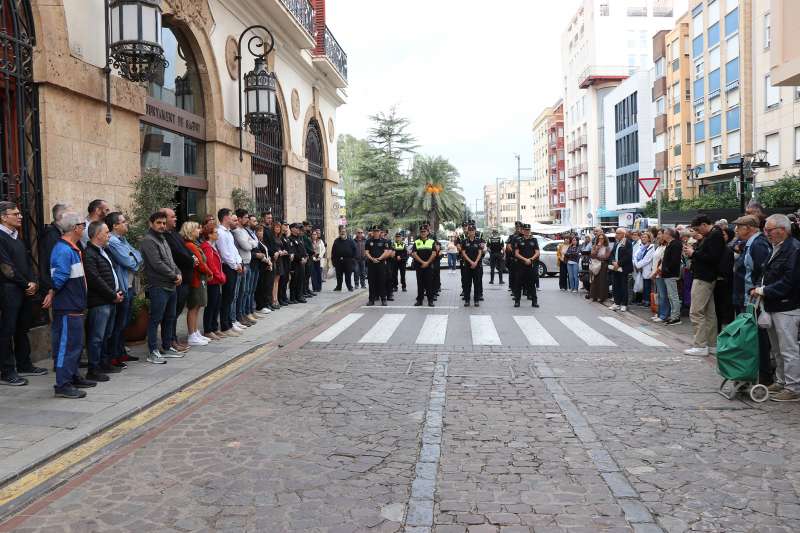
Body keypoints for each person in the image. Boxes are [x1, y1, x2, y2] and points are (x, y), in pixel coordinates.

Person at [751, 214, 800, 401]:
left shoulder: (793, 249)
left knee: (788, 349)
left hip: (787, 306)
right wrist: (760, 288)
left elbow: (790, 281)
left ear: (783, 229)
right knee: (778, 348)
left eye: (770, 230)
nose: (767, 233)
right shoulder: (778, 247)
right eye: (766, 230)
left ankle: (793, 387)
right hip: (774, 304)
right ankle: (781, 382)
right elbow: (767, 273)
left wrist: (763, 290)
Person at [0, 201, 47, 386]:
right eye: (15, 213)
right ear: (3, 217)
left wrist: (34, 282)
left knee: (22, 328)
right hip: (9, 290)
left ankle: (24, 364)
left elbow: (27, 263)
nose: (20, 216)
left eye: (19, 213)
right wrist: (25, 283)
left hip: (25, 290)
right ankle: (6, 371)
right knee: (7, 330)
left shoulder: (16, 236)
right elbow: (5, 267)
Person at [50, 212, 93, 398]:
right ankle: (63, 384)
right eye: (83, 225)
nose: (84, 228)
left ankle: (73, 376)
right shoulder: (64, 250)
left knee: (75, 344)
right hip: (68, 306)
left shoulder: (71, 248)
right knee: (67, 346)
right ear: (75, 228)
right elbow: (58, 278)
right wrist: (51, 292)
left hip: (74, 305)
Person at [732, 215, 772, 385]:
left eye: (738, 227)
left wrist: (756, 292)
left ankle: (764, 376)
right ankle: (754, 373)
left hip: (754, 299)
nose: (736, 230)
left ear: (748, 228)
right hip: (748, 298)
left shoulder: (758, 244)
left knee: (759, 339)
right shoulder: (750, 244)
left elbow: (762, 272)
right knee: (751, 338)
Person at [140, 211, 184, 364]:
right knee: (155, 319)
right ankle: (152, 351)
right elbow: (157, 264)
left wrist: (178, 272)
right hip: (158, 285)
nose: (162, 226)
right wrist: (174, 275)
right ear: (151, 223)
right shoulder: (148, 240)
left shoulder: (163, 239)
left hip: (171, 285)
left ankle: (166, 347)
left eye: (164, 223)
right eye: (158, 223)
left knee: (170, 318)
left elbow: (170, 261)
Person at [84, 220, 123, 382]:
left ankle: (104, 363)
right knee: (96, 337)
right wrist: (111, 295)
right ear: (98, 234)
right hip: (100, 302)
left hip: (111, 299)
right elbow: (95, 279)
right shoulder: (89, 254)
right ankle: (93, 368)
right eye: (107, 232)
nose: (109, 235)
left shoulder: (102, 250)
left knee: (106, 334)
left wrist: (116, 293)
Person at [683, 215, 725, 356]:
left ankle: (700, 345)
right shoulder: (714, 235)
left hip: (703, 277)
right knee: (709, 312)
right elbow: (709, 255)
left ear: (703, 225)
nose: (697, 232)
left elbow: (712, 258)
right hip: (706, 277)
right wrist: (693, 254)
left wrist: (693, 253)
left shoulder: (714, 236)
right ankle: (712, 345)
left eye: (697, 228)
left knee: (696, 312)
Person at [105, 212, 142, 367]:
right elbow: (129, 261)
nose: (127, 224)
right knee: (119, 324)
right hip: (122, 286)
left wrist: (135, 258)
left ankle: (121, 353)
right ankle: (114, 356)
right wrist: (135, 258)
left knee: (124, 323)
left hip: (130, 285)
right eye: (123, 221)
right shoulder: (113, 241)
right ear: (115, 226)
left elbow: (138, 255)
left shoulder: (123, 239)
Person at [161, 208, 193, 353]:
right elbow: (178, 254)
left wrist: (192, 257)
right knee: (171, 313)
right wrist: (191, 260)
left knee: (177, 311)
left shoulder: (174, 234)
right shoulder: (164, 236)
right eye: (172, 217)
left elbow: (186, 250)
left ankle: (173, 338)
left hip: (185, 277)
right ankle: (169, 340)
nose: (175, 219)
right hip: (176, 278)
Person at [181, 221, 213, 346]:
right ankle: (192, 334)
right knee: (193, 306)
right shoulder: (190, 245)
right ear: (190, 231)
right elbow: (200, 263)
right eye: (197, 229)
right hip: (196, 279)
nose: (199, 231)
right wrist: (210, 272)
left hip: (200, 278)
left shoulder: (194, 244)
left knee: (198, 306)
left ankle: (195, 331)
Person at [216, 209, 244, 334]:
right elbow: (224, 253)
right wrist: (234, 265)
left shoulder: (228, 233)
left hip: (234, 266)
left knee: (231, 296)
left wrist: (238, 262)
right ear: (225, 217)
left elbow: (233, 250)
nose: (233, 217)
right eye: (230, 215)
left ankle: (229, 322)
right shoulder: (220, 233)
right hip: (228, 267)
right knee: (227, 297)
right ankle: (225, 325)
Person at [38, 203, 69, 304]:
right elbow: (52, 263)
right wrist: (51, 289)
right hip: (53, 287)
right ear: (61, 217)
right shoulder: (52, 235)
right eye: (70, 216)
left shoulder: (59, 233)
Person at [200, 223, 226, 340]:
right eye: (215, 232)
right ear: (210, 235)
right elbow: (210, 264)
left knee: (217, 304)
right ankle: (208, 329)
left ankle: (215, 327)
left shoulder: (213, 245)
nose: (218, 234)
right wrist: (220, 276)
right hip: (212, 280)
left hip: (217, 280)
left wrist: (221, 275)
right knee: (211, 305)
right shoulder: (206, 246)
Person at [233, 209, 259, 326]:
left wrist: (251, 242)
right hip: (242, 263)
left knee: (247, 291)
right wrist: (251, 242)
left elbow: (255, 242)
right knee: (241, 292)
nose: (247, 220)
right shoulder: (237, 232)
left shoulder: (244, 231)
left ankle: (244, 313)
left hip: (247, 263)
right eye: (246, 218)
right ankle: (239, 316)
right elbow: (247, 246)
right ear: (239, 219)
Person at [512, 224, 539, 308]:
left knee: (532, 283)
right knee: (518, 284)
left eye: (528, 230)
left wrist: (530, 260)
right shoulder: (518, 240)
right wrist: (525, 260)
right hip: (521, 265)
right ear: (522, 231)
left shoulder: (534, 240)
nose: (527, 231)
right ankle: (517, 301)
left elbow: (537, 252)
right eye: (525, 230)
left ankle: (534, 302)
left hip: (531, 265)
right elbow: (516, 253)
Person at [714, 227, 736, 332]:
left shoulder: (727, 250)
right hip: (716, 283)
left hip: (724, 284)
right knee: (716, 311)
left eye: (723, 235)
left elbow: (726, 268)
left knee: (725, 310)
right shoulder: (718, 248)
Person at [660, 229, 683, 325]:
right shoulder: (671, 244)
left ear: (669, 235)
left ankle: (676, 317)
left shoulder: (675, 244)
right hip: (668, 273)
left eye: (664, 233)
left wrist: (666, 268)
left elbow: (675, 260)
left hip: (671, 274)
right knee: (671, 295)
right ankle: (673, 315)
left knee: (673, 295)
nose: (663, 235)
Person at [609, 228, 633, 312]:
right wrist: (613, 261)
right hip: (615, 268)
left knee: (623, 286)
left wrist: (618, 263)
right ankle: (617, 303)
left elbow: (628, 256)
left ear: (623, 234)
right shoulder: (617, 243)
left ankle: (624, 304)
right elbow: (612, 253)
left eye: (618, 233)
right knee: (616, 286)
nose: (616, 235)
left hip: (623, 268)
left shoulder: (627, 243)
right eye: (616, 233)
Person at [364, 225, 390, 306]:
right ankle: (371, 300)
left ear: (380, 232)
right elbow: (366, 252)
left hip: (380, 264)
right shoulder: (368, 241)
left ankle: (383, 299)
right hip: (371, 264)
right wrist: (372, 259)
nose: (376, 232)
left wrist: (379, 258)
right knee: (371, 282)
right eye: (374, 231)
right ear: (372, 232)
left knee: (381, 282)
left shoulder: (384, 241)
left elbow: (386, 252)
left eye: (377, 231)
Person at [412, 225, 436, 307]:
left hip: (428, 266)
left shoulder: (432, 242)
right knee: (420, 284)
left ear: (428, 232)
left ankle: (430, 301)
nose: (423, 233)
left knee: (429, 284)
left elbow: (434, 253)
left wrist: (427, 263)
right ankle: (419, 300)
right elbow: (414, 254)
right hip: (419, 266)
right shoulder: (416, 242)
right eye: (421, 231)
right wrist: (422, 262)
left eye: (424, 231)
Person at [460, 225, 484, 307]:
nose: (471, 232)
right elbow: (463, 253)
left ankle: (476, 300)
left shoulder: (479, 241)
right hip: (467, 265)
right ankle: (467, 300)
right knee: (467, 284)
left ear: (475, 231)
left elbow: (480, 252)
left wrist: (475, 262)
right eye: (470, 231)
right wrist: (471, 262)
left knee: (477, 283)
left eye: (473, 231)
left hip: (477, 266)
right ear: (468, 232)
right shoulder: (464, 241)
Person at [266, 220, 288, 307]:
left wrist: (282, 251)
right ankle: (273, 300)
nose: (278, 228)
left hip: (280, 260)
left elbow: (280, 247)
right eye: (276, 227)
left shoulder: (279, 237)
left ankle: (276, 299)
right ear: (273, 228)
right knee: (273, 280)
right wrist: (278, 252)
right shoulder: (272, 237)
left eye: (279, 227)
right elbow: (272, 248)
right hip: (275, 259)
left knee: (277, 280)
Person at [252, 223, 273, 315]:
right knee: (260, 287)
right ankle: (260, 306)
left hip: (266, 266)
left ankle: (265, 304)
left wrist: (270, 261)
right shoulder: (256, 242)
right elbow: (259, 254)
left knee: (266, 286)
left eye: (262, 231)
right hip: (260, 266)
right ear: (255, 232)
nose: (261, 233)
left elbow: (266, 253)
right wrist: (267, 261)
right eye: (259, 231)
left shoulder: (262, 241)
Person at [288, 223, 308, 304]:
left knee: (300, 279)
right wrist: (301, 258)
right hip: (295, 263)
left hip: (302, 263)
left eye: (299, 228)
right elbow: (293, 252)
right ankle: (293, 297)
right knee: (294, 281)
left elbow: (303, 249)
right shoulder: (290, 239)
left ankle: (299, 295)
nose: (298, 230)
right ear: (292, 229)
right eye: (296, 228)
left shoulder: (300, 238)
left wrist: (306, 257)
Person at [633, 232, 655, 307]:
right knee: (641, 286)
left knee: (647, 286)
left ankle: (647, 301)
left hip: (646, 269)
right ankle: (643, 300)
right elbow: (635, 256)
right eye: (642, 237)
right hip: (640, 268)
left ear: (649, 238)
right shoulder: (641, 246)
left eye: (645, 237)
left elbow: (647, 259)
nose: (643, 238)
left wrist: (638, 265)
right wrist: (637, 264)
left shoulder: (651, 247)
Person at [331, 226, 356, 291]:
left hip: (348, 261)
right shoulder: (336, 241)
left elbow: (355, 250)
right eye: (341, 232)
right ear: (339, 233)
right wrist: (333, 261)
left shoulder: (351, 241)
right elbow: (333, 252)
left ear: (346, 232)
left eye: (344, 232)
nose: (343, 233)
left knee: (348, 275)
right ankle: (339, 287)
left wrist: (353, 260)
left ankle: (349, 287)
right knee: (339, 275)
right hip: (338, 261)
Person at [589, 233, 611, 303]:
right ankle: (594, 296)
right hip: (595, 265)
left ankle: (601, 297)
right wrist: (597, 249)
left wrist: (597, 257)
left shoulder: (607, 247)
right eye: (599, 238)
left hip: (603, 266)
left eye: (602, 238)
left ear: (604, 239)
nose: (600, 240)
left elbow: (606, 257)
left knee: (602, 281)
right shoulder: (594, 246)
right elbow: (592, 255)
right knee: (595, 281)